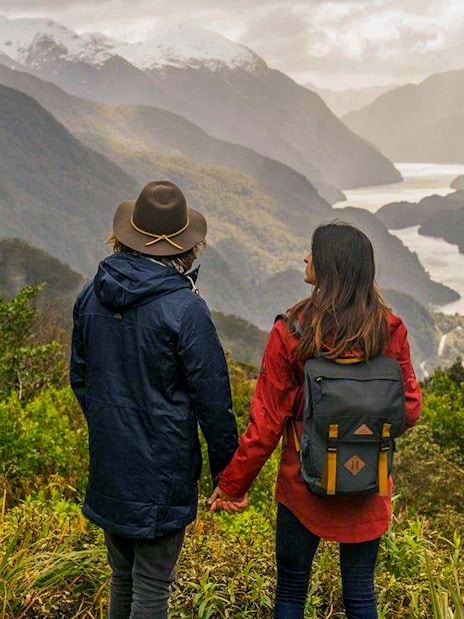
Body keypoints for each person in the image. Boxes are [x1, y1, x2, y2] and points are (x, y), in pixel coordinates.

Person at [209, 221, 422, 619]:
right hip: (368, 484)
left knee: (291, 590)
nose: (306, 258)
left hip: (302, 485)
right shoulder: (390, 330)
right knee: (360, 594)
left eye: (314, 252)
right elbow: (409, 409)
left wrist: (233, 485)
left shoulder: (291, 332)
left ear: (330, 268)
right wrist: (363, 428)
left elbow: (266, 426)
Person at [70, 180, 239, 619]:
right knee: (151, 589)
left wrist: (113, 427)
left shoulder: (91, 295)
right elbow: (213, 401)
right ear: (185, 249)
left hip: (111, 464)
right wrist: (228, 473)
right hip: (163, 471)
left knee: (121, 577)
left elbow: (81, 380)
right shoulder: (186, 309)